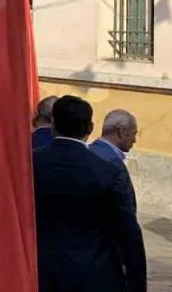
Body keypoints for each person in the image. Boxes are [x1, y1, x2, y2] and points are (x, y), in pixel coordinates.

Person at [33, 95, 146, 292]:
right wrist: (136, 284)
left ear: (53, 126)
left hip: (42, 272)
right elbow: (128, 232)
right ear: (90, 128)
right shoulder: (109, 171)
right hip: (95, 275)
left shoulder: (29, 164)